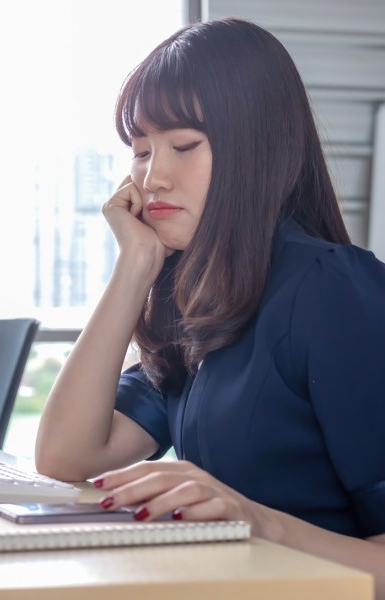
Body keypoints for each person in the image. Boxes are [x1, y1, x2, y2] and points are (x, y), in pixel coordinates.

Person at [34, 17, 385, 595]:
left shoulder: (333, 292)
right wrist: (135, 267)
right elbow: (69, 456)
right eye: (141, 150)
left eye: (184, 146)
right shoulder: (193, 305)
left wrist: (256, 522)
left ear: (258, 149)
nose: (153, 177)